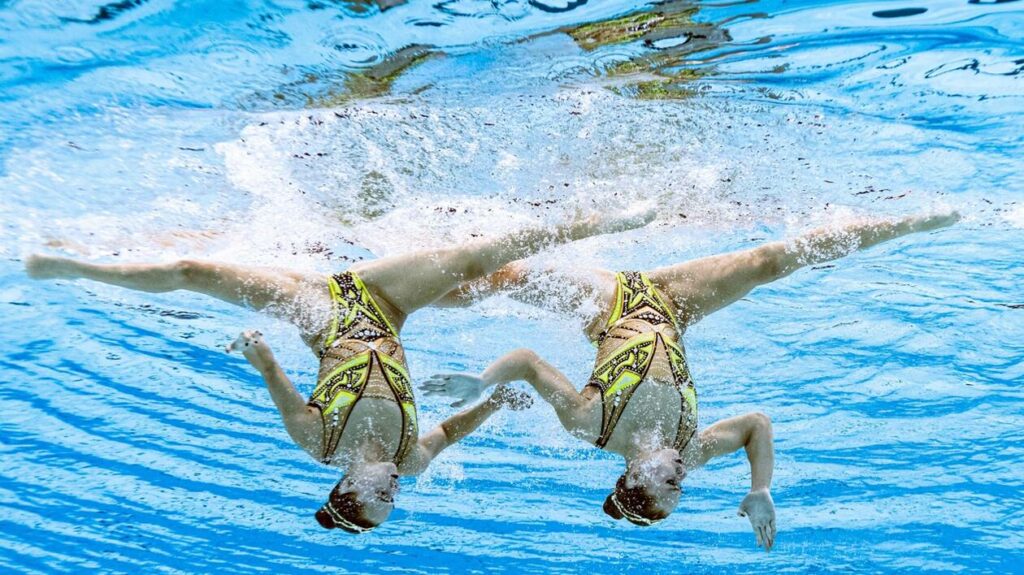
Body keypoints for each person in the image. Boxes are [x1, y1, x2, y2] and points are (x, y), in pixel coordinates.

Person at [24, 210, 653, 533]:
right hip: (388, 306)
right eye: (393, 501)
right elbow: (452, 432)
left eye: (379, 498)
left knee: (194, 272)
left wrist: (256, 348)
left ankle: (75, 268)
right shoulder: (410, 461)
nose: (395, 491)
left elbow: (277, 381)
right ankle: (595, 226)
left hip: (319, 312)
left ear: (349, 487)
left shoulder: (319, 442)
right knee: (469, 266)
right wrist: (495, 402)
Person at [422, 211, 960, 550]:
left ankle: (395, 266)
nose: (684, 476)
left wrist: (481, 382)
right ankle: (908, 222)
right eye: (682, 485)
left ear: (634, 479)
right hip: (676, 305)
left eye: (672, 485)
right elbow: (756, 424)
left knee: (503, 279)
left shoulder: (591, 427)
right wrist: (760, 488)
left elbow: (524, 360)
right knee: (770, 261)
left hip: (606, 305)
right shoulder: (690, 451)